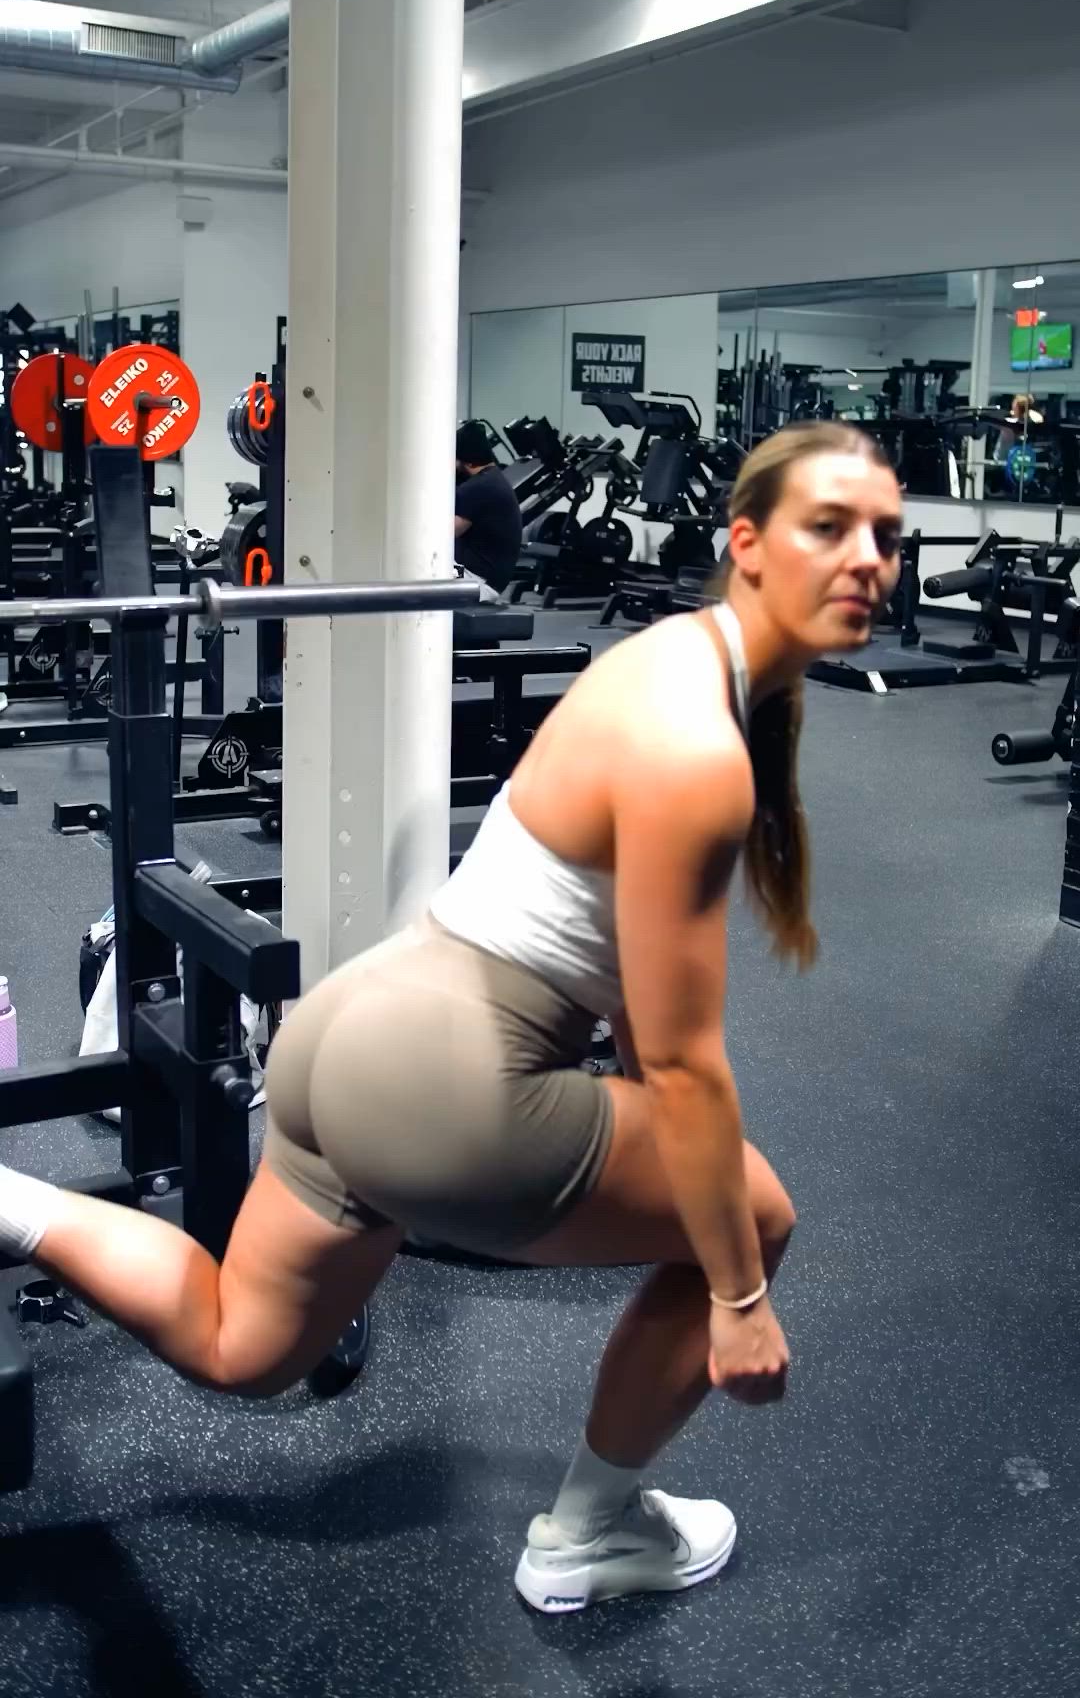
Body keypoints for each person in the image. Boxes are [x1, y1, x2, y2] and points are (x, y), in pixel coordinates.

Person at [0, 421, 902, 1615]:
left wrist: (635, 1110)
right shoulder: (701, 751)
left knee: (241, 1350)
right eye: (829, 527)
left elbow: (631, 989)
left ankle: (11, 1204)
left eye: (889, 533)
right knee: (758, 1219)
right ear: (744, 543)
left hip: (345, 1035)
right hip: (461, 1086)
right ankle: (589, 1534)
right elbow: (683, 1065)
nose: (869, 559)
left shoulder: (662, 659)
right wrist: (738, 1297)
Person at [453, 419, 523, 599]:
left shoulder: (477, 488)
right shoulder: (493, 479)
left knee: (418, 570)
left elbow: (442, 535)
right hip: (483, 578)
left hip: (477, 582)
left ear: (467, 461)